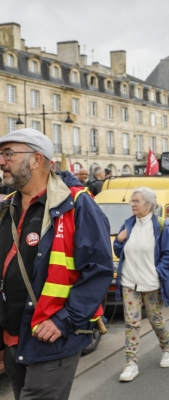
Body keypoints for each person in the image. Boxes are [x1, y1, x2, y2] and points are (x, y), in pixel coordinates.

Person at [0, 128, 113, 399]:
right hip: (12, 337)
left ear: (36, 159)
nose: (2, 161)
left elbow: (98, 270)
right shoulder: (7, 206)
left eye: (8, 154)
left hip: (52, 336)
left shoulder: (77, 204)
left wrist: (64, 321)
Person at [113, 187, 169, 382]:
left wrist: (157, 273)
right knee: (132, 323)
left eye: (136, 201)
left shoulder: (161, 226)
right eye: (132, 201)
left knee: (155, 319)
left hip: (150, 283)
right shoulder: (128, 224)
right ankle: (131, 364)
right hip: (128, 282)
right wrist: (118, 240)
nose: (132, 204)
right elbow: (119, 251)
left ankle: (167, 348)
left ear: (149, 205)